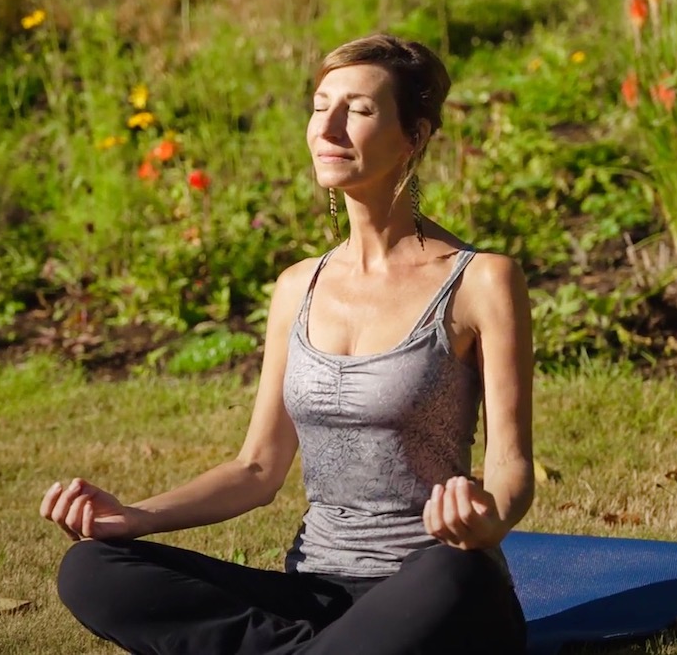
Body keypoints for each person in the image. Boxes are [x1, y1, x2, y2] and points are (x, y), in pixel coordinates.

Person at [40, 33, 534, 655]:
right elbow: (256, 469)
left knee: (455, 569)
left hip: (436, 583)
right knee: (92, 570)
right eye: (320, 104)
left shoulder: (480, 279)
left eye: (357, 110)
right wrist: (135, 518)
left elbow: (511, 463)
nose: (326, 127)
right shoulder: (297, 286)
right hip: (317, 594)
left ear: (416, 137)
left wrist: (489, 519)